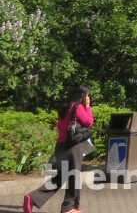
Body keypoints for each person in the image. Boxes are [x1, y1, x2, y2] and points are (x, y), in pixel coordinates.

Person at [25, 84, 94, 213]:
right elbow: (89, 122)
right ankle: (70, 208)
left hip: (61, 145)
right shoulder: (78, 107)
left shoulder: (64, 108)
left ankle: (33, 197)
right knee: (74, 175)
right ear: (83, 96)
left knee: (61, 176)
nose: (88, 98)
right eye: (87, 95)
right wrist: (88, 107)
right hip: (73, 146)